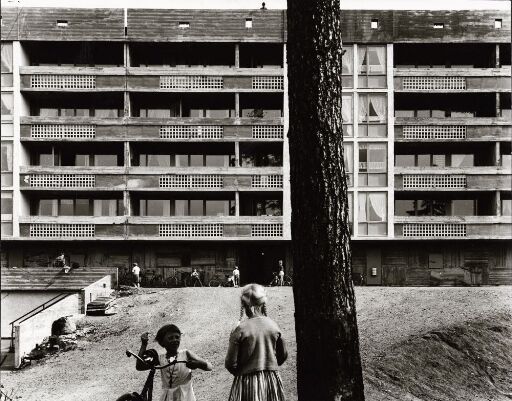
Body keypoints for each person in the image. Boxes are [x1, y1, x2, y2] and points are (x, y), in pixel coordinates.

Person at [225, 284, 288, 401]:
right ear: (263, 303)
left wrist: (242, 372)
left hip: (247, 382)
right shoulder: (274, 325)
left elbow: (230, 363)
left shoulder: (240, 329)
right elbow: (283, 355)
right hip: (272, 382)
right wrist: (269, 366)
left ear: (244, 305)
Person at [137, 324, 212, 401]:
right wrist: (144, 345)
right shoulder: (160, 358)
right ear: (162, 342)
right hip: (167, 397)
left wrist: (198, 364)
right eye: (170, 338)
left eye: (177, 337)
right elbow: (139, 366)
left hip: (185, 396)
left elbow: (209, 367)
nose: (175, 340)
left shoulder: (185, 354)